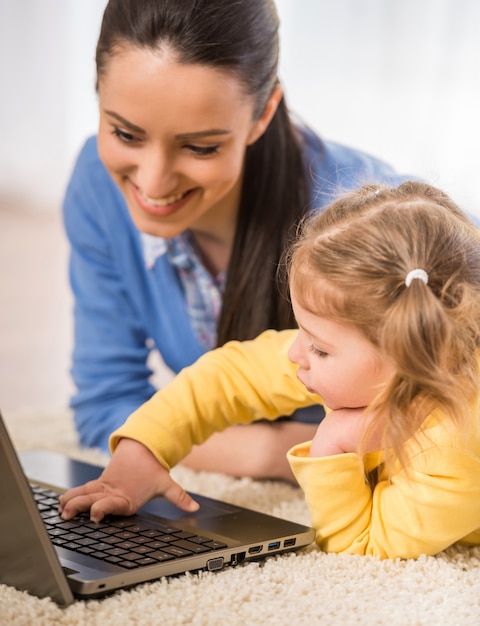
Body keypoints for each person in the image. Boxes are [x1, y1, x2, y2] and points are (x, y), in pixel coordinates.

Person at [63, 0, 411, 479]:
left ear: (263, 113)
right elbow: (106, 405)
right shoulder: (96, 186)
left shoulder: (370, 219)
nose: (154, 181)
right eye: (125, 133)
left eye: (201, 146)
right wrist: (275, 453)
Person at [60, 181, 480, 560]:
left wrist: (333, 441)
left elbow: (363, 545)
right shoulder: (375, 357)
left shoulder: (454, 449)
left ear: (408, 362)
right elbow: (230, 376)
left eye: (318, 347)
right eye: (302, 331)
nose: (295, 352)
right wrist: (143, 450)